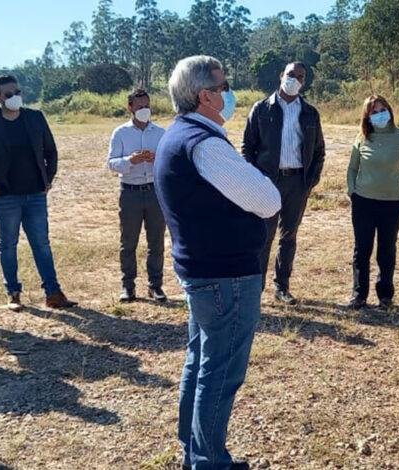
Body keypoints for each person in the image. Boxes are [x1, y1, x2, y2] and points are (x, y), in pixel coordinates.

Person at [155, 55, 281, 470]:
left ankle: (195, 449)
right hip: (225, 275)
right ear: (205, 96)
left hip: (204, 271)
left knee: (202, 360)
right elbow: (267, 200)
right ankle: (208, 460)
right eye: (224, 86)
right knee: (221, 371)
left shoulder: (181, 135)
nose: (230, 94)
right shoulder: (204, 144)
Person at [0, 74, 77, 312]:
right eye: (8, 94)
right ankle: (13, 293)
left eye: (17, 92)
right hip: (5, 196)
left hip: (35, 194)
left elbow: (51, 150)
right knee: (8, 244)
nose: (14, 97)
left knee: (41, 243)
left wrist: (47, 179)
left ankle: (53, 293)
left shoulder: (35, 117)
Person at [242, 62, 326, 305]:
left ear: (304, 82)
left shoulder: (310, 113)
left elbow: (319, 150)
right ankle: (254, 289)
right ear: (281, 75)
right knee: (263, 234)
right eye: (291, 74)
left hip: (297, 182)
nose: (294, 79)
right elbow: (248, 147)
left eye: (300, 76)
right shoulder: (261, 108)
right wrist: (254, 178)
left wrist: (312, 179)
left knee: (289, 235)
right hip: (268, 181)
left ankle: (282, 286)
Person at [346, 95, 399, 310]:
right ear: (367, 116)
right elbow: (352, 168)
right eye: (374, 112)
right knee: (362, 249)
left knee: (386, 250)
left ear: (390, 110)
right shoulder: (362, 138)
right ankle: (359, 294)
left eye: (382, 109)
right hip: (364, 202)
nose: (379, 114)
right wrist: (352, 191)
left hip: (392, 203)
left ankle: (385, 295)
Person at [107, 89, 167, 303]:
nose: (144, 110)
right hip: (130, 192)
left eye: (147, 106)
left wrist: (156, 159)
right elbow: (111, 163)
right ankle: (128, 286)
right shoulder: (121, 133)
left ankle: (155, 285)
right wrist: (130, 161)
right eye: (140, 107)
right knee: (128, 242)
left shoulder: (160, 133)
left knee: (156, 241)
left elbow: (169, 162)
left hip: (154, 191)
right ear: (130, 107)